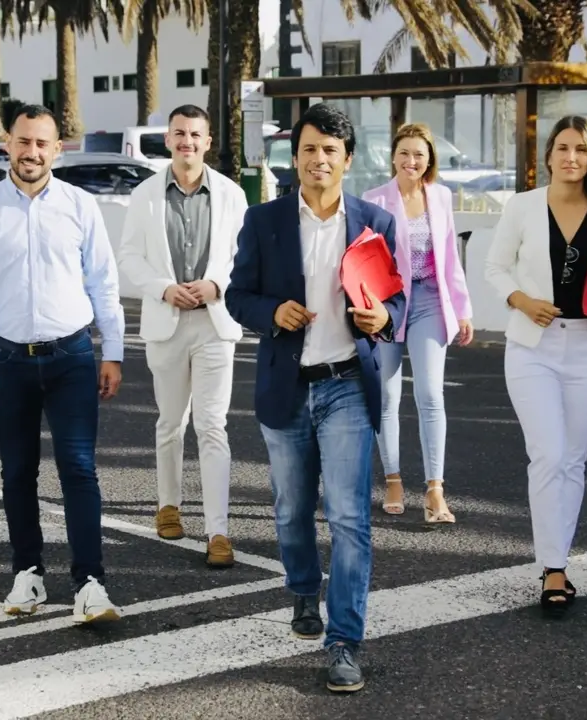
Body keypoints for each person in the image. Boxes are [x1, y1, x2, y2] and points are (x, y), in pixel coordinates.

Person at [225, 103, 406, 693]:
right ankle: (304, 590)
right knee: (291, 508)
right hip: (286, 386)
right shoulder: (264, 221)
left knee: (350, 518)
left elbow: (398, 302)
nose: (318, 159)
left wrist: (382, 316)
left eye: (330, 150)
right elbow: (236, 296)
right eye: (308, 149)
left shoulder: (377, 221)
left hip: (348, 384)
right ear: (295, 157)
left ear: (347, 159)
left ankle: (345, 640)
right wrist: (271, 313)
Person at [0, 104, 124, 624]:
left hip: (71, 357)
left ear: (57, 149)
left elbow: (104, 285)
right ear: (8, 143)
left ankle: (90, 582)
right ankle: (28, 574)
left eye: (42, 143)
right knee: (17, 472)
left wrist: (113, 352)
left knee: (79, 470)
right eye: (24, 142)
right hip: (5, 360)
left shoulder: (81, 206)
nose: (32, 152)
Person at [484, 115, 587, 618]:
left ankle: (558, 565)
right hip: (533, 346)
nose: (572, 157)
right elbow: (494, 267)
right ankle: (552, 565)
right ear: (548, 154)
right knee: (549, 454)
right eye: (564, 148)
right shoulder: (524, 206)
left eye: (582, 149)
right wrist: (522, 301)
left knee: (572, 460)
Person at [116, 104, 248, 566]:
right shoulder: (146, 195)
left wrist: (216, 285)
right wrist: (163, 289)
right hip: (166, 322)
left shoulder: (232, 195)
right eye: (179, 134)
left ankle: (218, 531)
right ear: (167, 140)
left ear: (208, 141)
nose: (187, 141)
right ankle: (168, 505)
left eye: (196, 134)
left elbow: (241, 258)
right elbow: (130, 257)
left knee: (212, 426)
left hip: (215, 323)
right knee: (170, 423)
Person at [361, 122, 474, 523]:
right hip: (387, 304)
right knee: (387, 397)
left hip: (429, 300)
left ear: (430, 161)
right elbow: (363, 260)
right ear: (393, 156)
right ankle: (392, 479)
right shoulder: (374, 200)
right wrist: (367, 308)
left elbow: (450, 259)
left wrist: (463, 309)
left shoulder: (440, 196)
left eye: (420, 155)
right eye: (405, 153)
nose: (412, 161)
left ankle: (434, 491)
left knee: (430, 395)